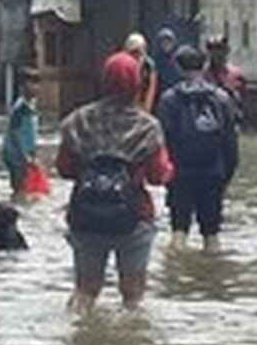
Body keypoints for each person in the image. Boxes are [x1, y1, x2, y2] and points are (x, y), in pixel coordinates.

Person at [57, 53, 175, 312]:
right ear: (137, 83)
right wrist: (170, 170)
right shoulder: (147, 127)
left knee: (85, 290)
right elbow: (157, 175)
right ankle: (129, 337)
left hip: (86, 216)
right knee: (133, 296)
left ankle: (77, 333)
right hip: (134, 217)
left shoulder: (78, 121)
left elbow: (64, 169)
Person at [158, 45, 240, 253]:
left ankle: (176, 270)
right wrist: (225, 176)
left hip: (180, 173)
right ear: (204, 67)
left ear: (177, 67)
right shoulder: (222, 98)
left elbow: (162, 141)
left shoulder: (169, 99)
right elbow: (230, 143)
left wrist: (166, 175)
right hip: (213, 172)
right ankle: (213, 270)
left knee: (179, 231)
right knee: (212, 235)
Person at [3, 67, 41, 198]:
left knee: (25, 188)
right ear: (22, 87)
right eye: (31, 84)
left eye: (37, 84)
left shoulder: (31, 106)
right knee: (20, 188)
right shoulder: (20, 108)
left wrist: (33, 155)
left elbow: (30, 134)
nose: (35, 88)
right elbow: (15, 133)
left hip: (24, 153)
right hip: (15, 154)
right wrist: (26, 157)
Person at [205, 36, 247, 122]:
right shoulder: (202, 75)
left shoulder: (236, 74)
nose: (216, 53)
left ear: (227, 50)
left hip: (230, 120)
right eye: (212, 49)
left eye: (220, 49)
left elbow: (242, 99)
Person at [123, 32, 158, 113]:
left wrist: (146, 109)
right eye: (133, 52)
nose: (137, 55)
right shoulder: (123, 64)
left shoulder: (148, 65)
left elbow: (151, 88)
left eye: (139, 51)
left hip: (142, 102)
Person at [152, 28, 182, 96]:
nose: (166, 45)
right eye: (164, 42)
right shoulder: (155, 60)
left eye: (169, 42)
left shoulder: (178, 58)